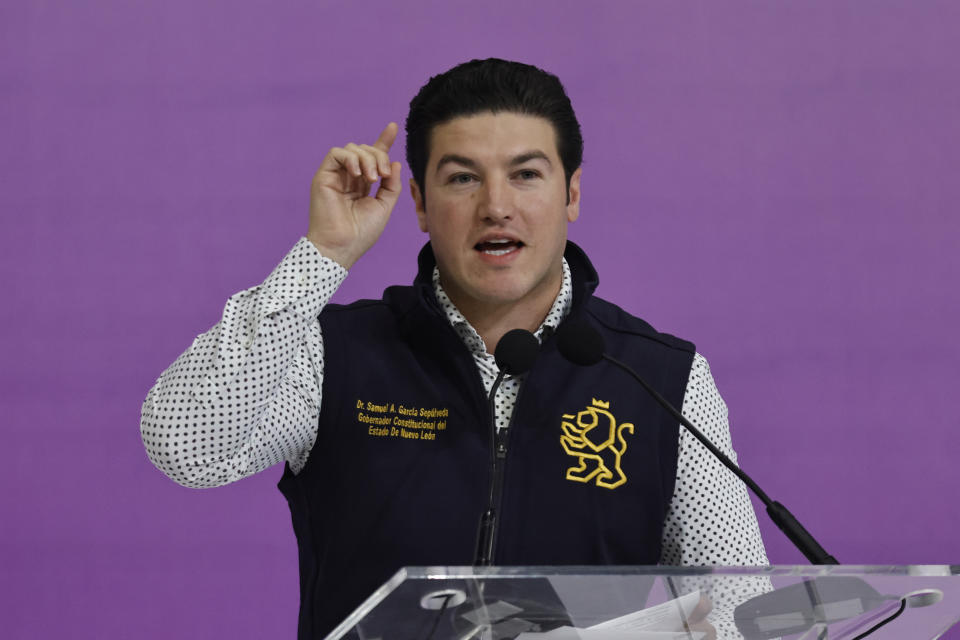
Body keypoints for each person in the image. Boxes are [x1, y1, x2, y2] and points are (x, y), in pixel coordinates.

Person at [141, 58, 767, 638]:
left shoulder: (658, 376)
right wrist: (322, 256)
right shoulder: (336, 355)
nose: (496, 207)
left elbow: (739, 613)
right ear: (417, 202)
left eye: (525, 175)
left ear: (572, 194)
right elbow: (189, 446)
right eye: (463, 178)